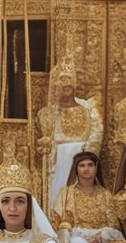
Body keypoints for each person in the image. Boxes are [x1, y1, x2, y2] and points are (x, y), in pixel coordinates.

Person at [37, 55, 103, 207]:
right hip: (58, 161)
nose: (65, 89)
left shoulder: (88, 109)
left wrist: (87, 157)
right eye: (61, 86)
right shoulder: (47, 113)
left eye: (68, 86)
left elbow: (96, 136)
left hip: (81, 159)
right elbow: (42, 141)